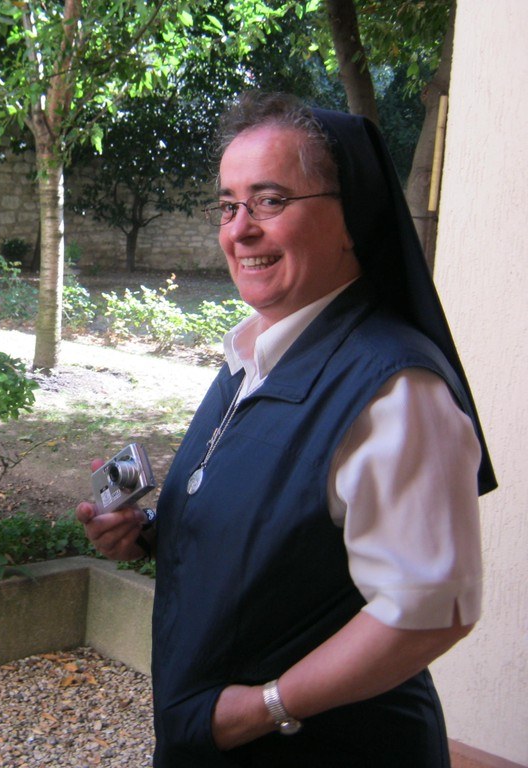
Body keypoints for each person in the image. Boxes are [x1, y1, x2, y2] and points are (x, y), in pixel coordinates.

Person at [76, 91, 496, 767]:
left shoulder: (394, 391)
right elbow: (282, 533)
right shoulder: (253, 355)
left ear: (351, 219)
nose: (239, 230)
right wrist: (150, 533)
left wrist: (264, 708)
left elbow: (431, 610)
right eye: (228, 205)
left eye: (270, 201)